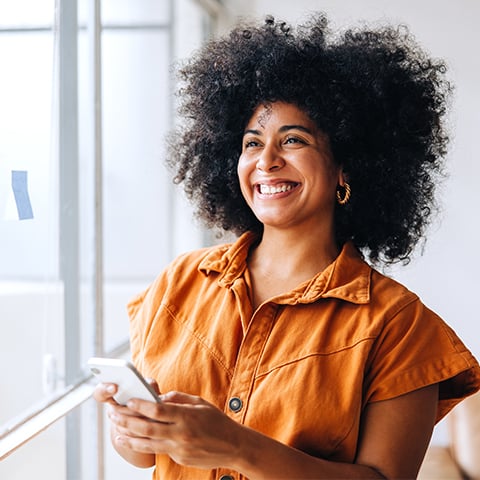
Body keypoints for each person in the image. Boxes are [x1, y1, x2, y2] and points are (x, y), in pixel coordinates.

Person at [94, 13, 480, 479]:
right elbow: (143, 456)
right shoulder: (181, 281)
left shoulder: (399, 326)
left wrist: (237, 447)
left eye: (293, 140)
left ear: (346, 167)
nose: (267, 161)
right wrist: (132, 427)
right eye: (251, 143)